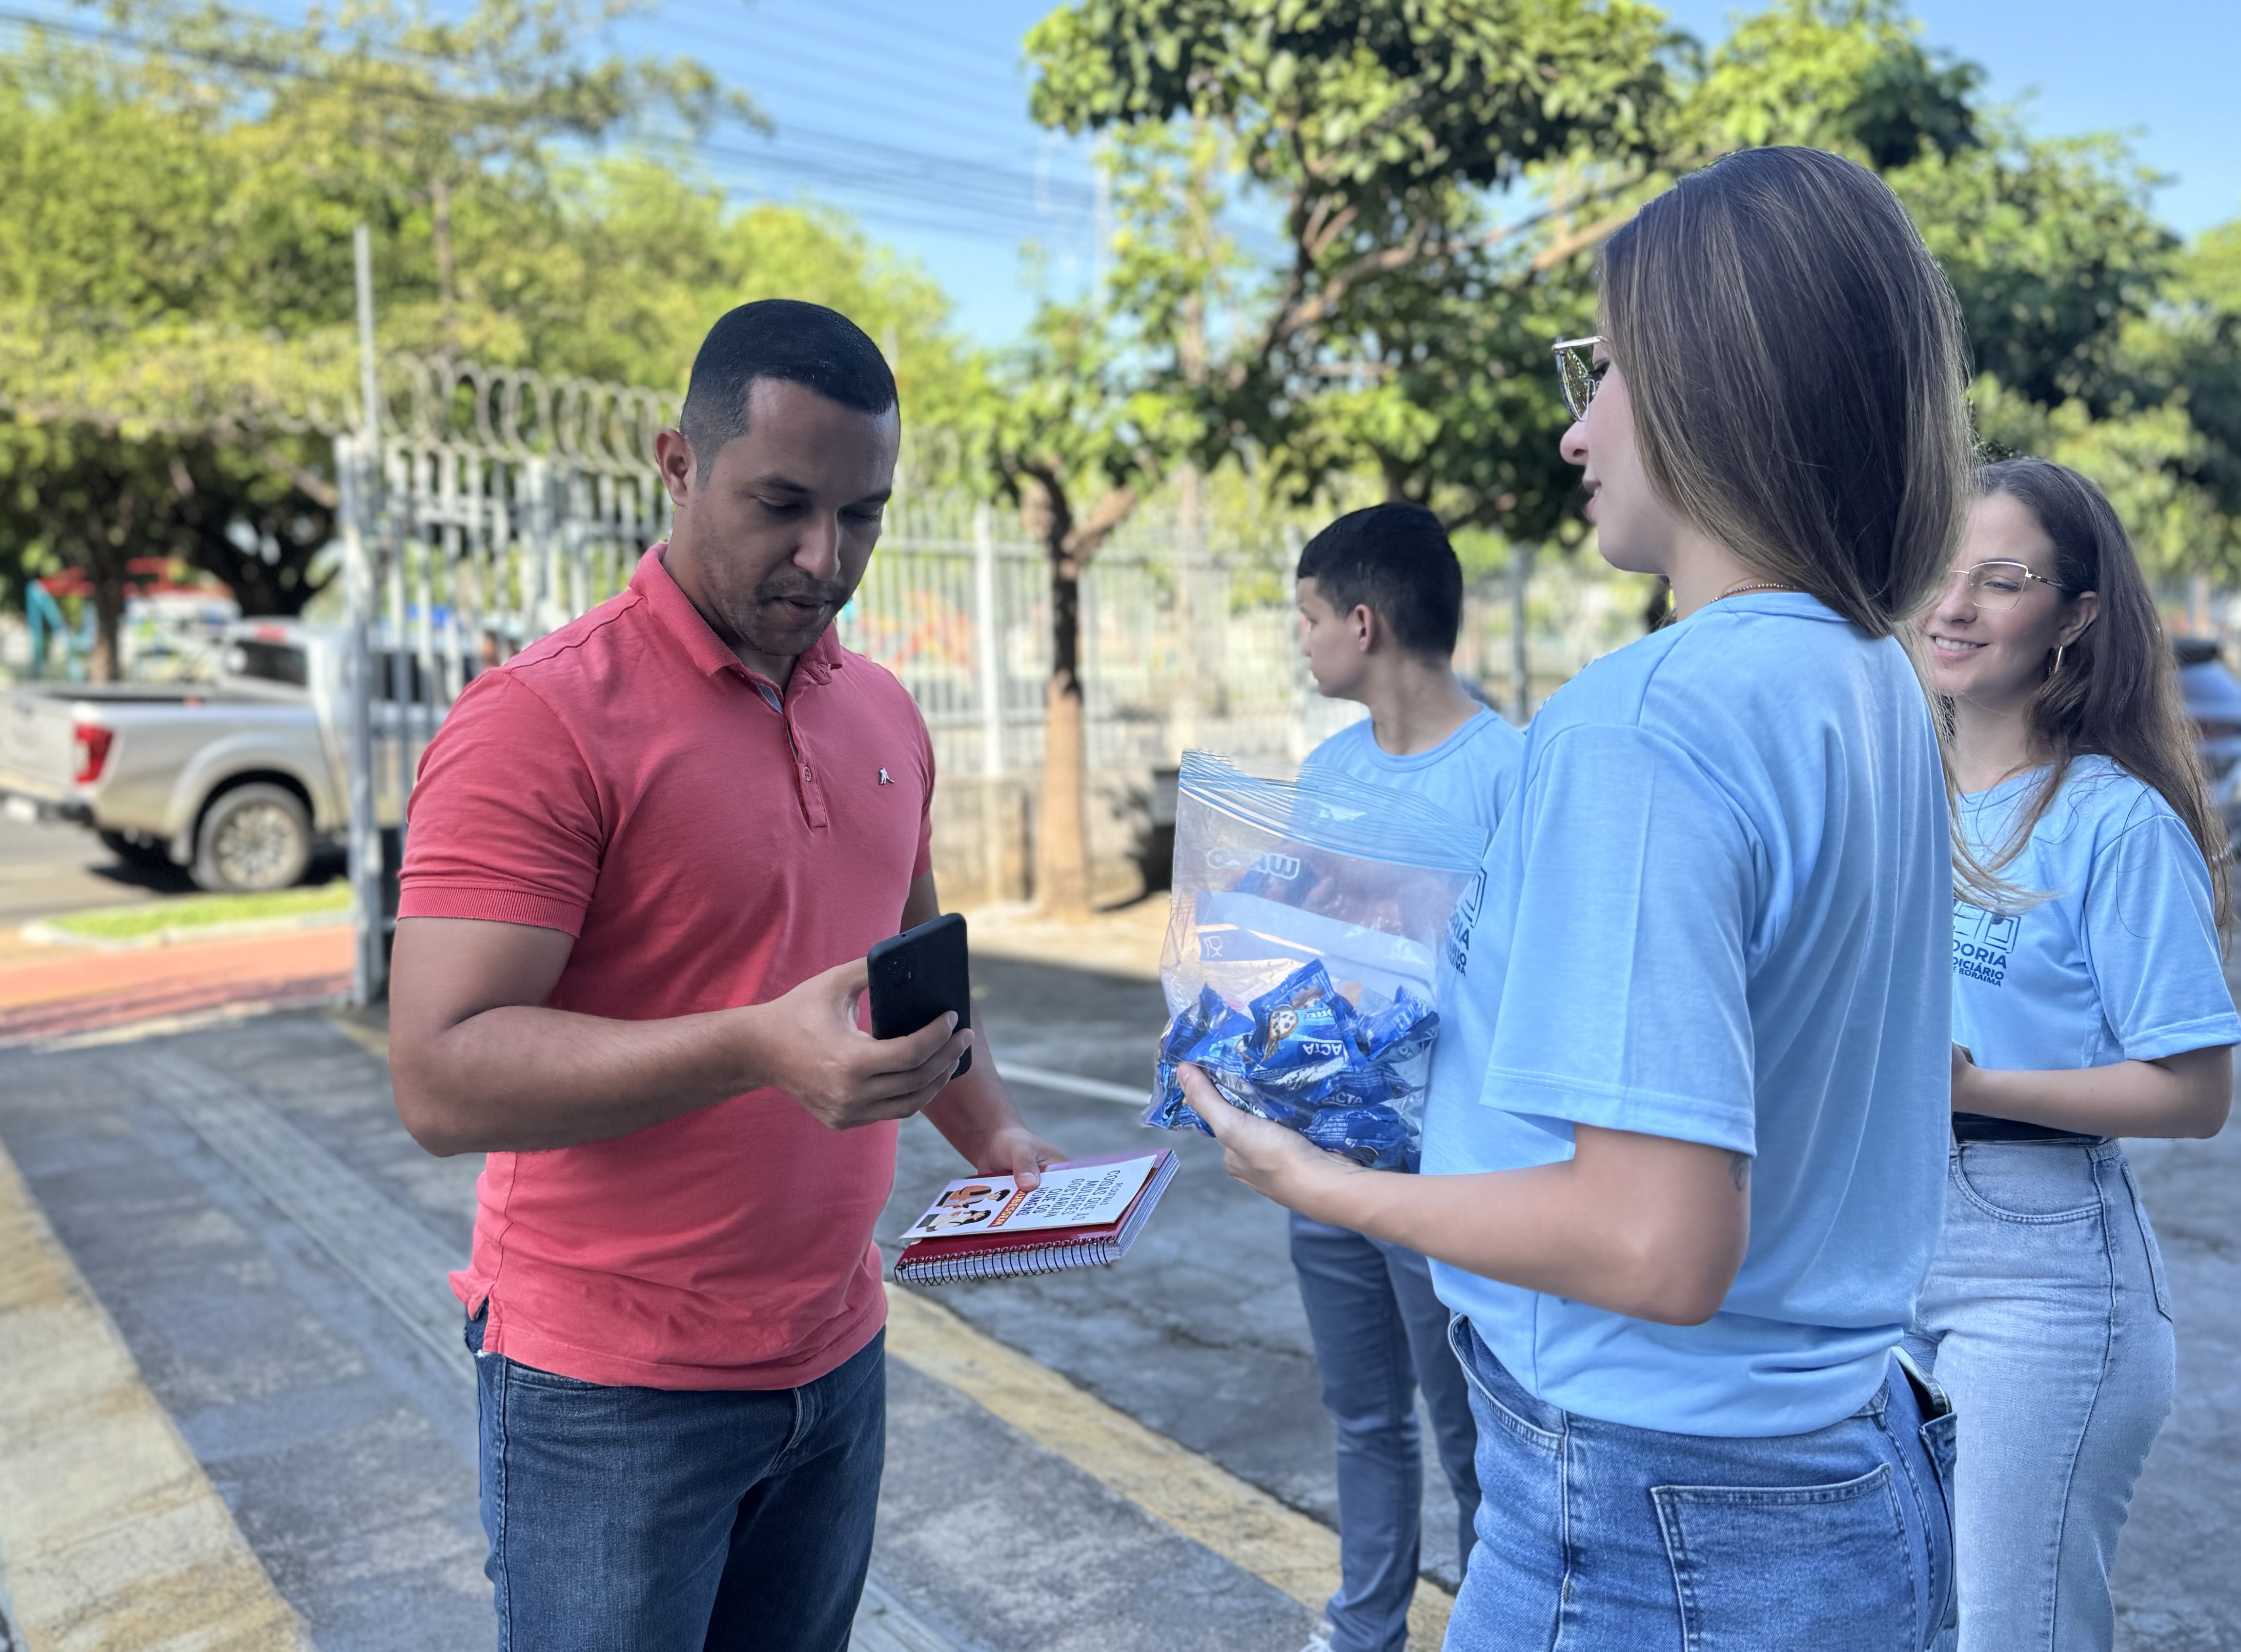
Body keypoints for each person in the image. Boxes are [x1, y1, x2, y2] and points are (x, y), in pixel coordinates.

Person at [1176, 145, 1969, 1650]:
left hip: (1656, 1519)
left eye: (1603, 370)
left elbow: (1655, 1243)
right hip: (1845, 1464)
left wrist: (1318, 1182)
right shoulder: (1864, 677)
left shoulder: (1646, 719)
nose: (1574, 426)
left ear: (1710, 384)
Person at [386, 298, 1062, 1652]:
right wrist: (755, 1046)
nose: (826, 558)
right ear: (676, 464)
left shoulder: (880, 711)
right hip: (607, 1393)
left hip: (835, 1361)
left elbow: (912, 974)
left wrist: (997, 1140)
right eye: (784, 504)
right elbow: (442, 1074)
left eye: (863, 515)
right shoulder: (541, 720)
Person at [1909, 457, 2238, 1652]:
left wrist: (1972, 1087)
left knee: (2014, 1632)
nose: (1953, 606)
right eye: (1940, 573)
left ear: (2075, 615)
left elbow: (2197, 1093)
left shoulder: (2111, 821)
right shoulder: (1894, 794)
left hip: (2039, 1272)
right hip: (1878, 1242)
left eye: (2000, 580)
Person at [1288, 502, 1521, 1652]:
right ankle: (1363, 1625)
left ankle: (1494, 1622)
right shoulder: (1326, 769)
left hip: (1448, 1169)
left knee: (1472, 1422)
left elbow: (1525, 975)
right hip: (1325, 1152)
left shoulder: (1508, 772)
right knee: (1361, 1414)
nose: (1304, 639)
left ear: (1364, 623)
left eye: (1310, 616)